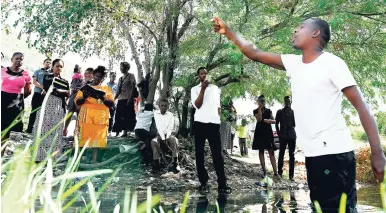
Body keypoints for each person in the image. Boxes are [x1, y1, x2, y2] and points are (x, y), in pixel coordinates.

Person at [212, 16, 386, 212]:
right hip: (313, 155)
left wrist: (377, 153)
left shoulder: (332, 63)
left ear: (315, 33)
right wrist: (228, 32)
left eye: (301, 27)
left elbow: (363, 107)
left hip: (334, 154)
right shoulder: (294, 64)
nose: (295, 31)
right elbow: (254, 53)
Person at [191, 67, 231, 194]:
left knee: (217, 155)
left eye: (205, 74)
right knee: (199, 154)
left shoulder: (215, 89)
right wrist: (202, 88)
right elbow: (197, 105)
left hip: (213, 125)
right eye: (202, 74)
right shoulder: (195, 89)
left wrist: (218, 119)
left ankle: (222, 183)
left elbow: (218, 106)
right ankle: (203, 182)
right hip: (200, 124)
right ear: (199, 76)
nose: (204, 75)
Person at [74, 66, 114, 163]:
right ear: (93, 75)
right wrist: (84, 98)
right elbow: (77, 102)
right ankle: (80, 158)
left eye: (101, 78)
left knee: (97, 139)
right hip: (86, 116)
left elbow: (112, 104)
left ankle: (94, 160)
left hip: (100, 118)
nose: (98, 79)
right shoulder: (85, 87)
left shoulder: (107, 89)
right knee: (83, 137)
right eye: (97, 76)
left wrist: (103, 98)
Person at [32, 59, 70, 162]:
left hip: (58, 108)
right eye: (57, 66)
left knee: (56, 132)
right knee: (42, 130)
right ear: (52, 66)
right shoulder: (47, 77)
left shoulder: (65, 81)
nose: (59, 68)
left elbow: (68, 94)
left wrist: (60, 91)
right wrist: (61, 91)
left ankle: (53, 158)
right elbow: (49, 88)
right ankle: (39, 157)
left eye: (61, 67)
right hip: (46, 106)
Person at [1, 52, 32, 154]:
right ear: (12, 59)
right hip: (2, 100)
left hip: (16, 103)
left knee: (8, 130)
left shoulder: (26, 74)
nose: (19, 61)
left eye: (21, 59)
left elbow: (28, 91)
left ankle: (1, 153)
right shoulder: (2, 71)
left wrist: (18, 98)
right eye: (17, 58)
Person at [252, 95, 278, 177]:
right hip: (259, 132)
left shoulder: (269, 111)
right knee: (261, 151)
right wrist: (259, 108)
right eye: (261, 101)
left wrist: (268, 121)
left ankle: (275, 172)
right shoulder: (255, 111)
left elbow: (274, 121)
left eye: (263, 101)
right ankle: (264, 172)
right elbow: (259, 119)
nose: (262, 102)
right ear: (258, 101)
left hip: (268, 132)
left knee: (271, 152)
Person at [151, 99, 180, 173]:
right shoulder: (156, 113)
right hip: (159, 135)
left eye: (165, 106)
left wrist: (167, 138)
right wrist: (163, 139)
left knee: (175, 140)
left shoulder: (170, 115)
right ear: (159, 106)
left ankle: (175, 163)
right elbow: (159, 126)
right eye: (162, 106)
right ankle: (156, 163)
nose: (163, 107)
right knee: (154, 141)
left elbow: (170, 127)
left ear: (168, 107)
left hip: (168, 135)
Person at [27, 58, 52, 133]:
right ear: (43, 63)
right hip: (37, 94)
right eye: (47, 62)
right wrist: (42, 88)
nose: (48, 64)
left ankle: (40, 130)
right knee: (34, 111)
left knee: (44, 113)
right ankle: (29, 129)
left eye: (50, 63)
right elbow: (34, 82)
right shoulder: (37, 71)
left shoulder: (51, 73)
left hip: (46, 95)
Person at [113, 62, 137, 137]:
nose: (121, 68)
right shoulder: (120, 78)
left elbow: (133, 87)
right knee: (118, 115)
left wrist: (130, 98)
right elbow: (118, 90)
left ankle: (125, 132)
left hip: (128, 98)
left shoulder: (131, 76)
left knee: (127, 116)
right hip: (121, 99)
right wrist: (113, 99)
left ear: (126, 68)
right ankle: (117, 132)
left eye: (122, 67)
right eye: (120, 67)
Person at [276, 96, 297, 181]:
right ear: (284, 102)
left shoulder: (293, 112)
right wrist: (278, 133)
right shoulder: (280, 112)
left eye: (289, 101)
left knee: (292, 155)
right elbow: (276, 123)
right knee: (281, 154)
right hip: (283, 135)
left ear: (290, 102)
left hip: (291, 135)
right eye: (286, 101)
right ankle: (279, 173)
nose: (288, 102)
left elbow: (295, 124)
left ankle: (291, 176)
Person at [63, 64, 84, 136]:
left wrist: (67, 97)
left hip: (73, 95)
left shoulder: (74, 76)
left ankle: (66, 129)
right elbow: (76, 88)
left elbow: (72, 88)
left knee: (70, 113)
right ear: (78, 70)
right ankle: (75, 130)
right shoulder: (79, 76)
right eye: (80, 69)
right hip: (78, 95)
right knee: (78, 114)